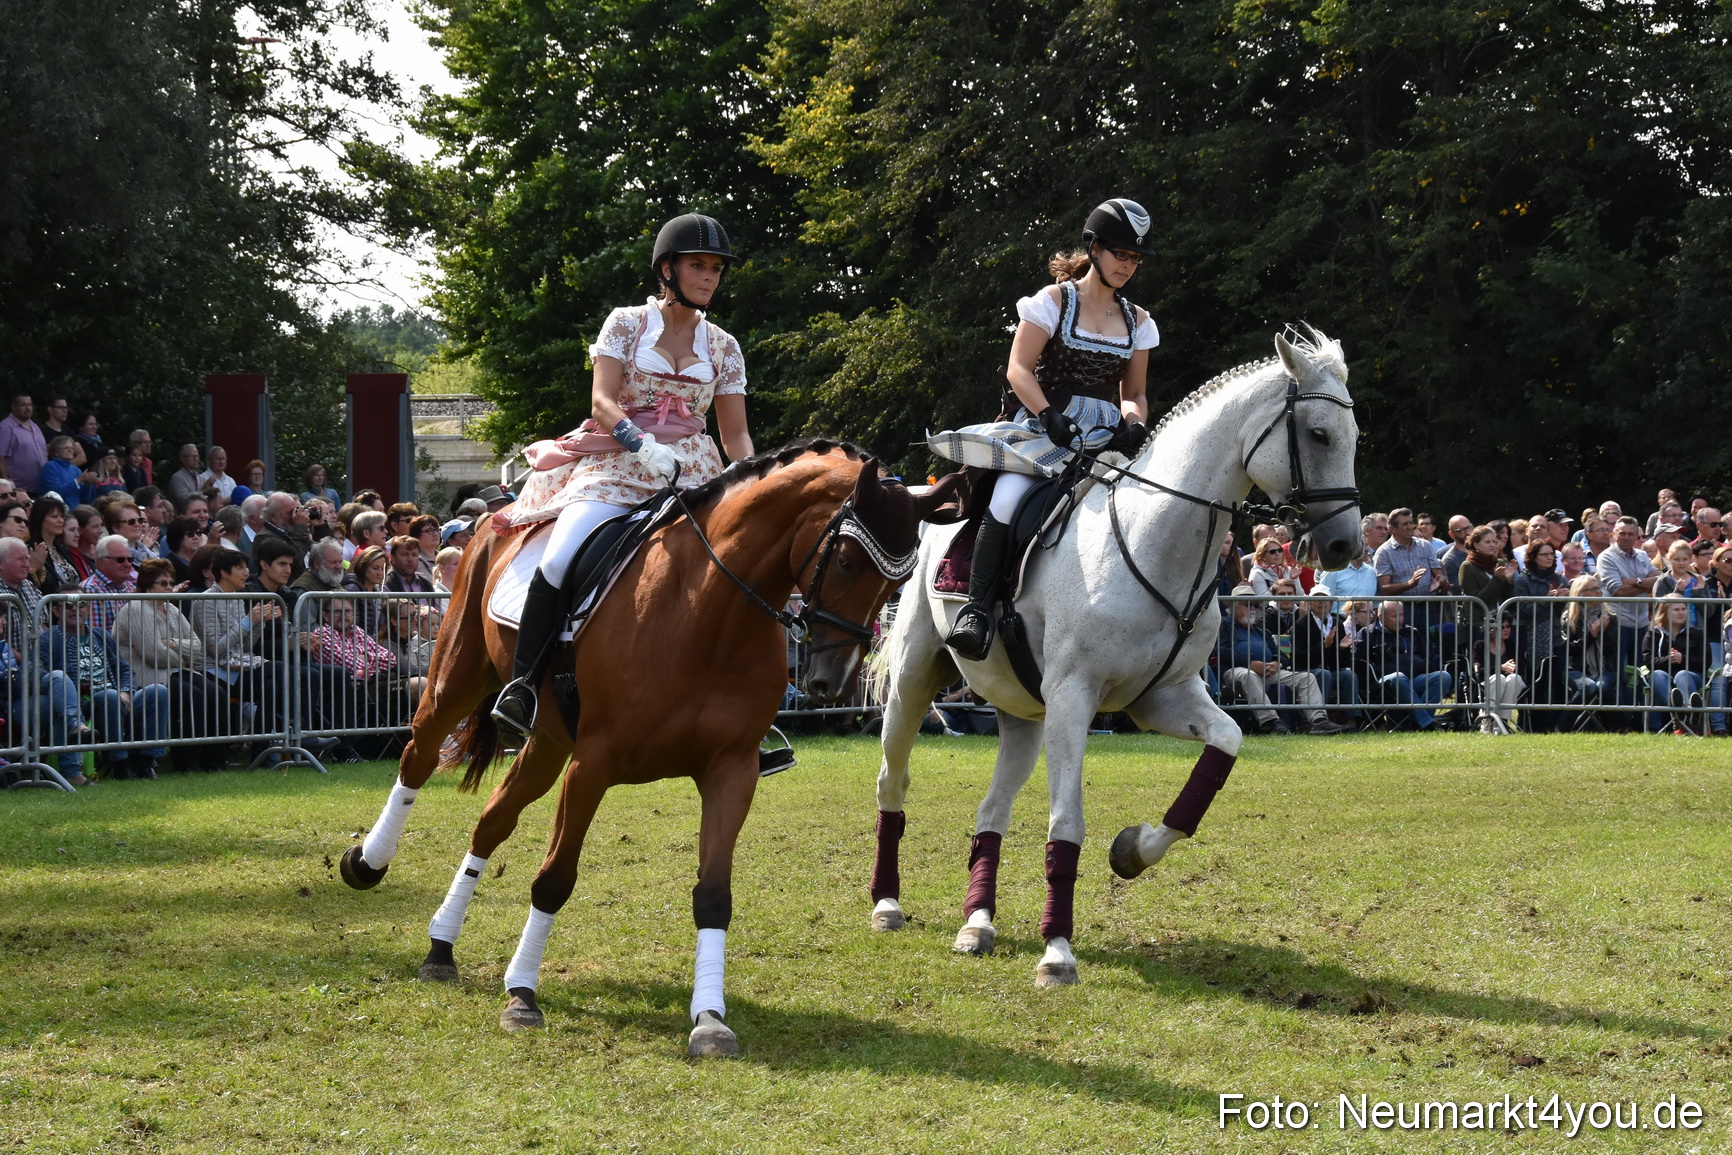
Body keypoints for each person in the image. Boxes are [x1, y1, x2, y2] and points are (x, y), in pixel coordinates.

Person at [489, 212, 757, 736]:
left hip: (694, 473)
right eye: (698, 265)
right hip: (619, 462)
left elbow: (735, 435)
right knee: (562, 555)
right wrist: (643, 445)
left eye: (716, 269)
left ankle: (743, 703)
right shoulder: (627, 323)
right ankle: (521, 688)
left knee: (738, 570)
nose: (709, 277)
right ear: (667, 269)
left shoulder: (725, 346)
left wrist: (751, 479)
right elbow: (603, 401)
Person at [928, 199, 1158, 661]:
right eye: (1120, 254)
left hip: (1107, 439)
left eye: (1135, 258)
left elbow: (1134, 392)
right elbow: (1018, 369)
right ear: (1094, 249)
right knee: (1009, 496)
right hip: (1043, 428)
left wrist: (1134, 424)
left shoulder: (1140, 322)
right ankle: (975, 610)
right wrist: (1049, 415)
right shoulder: (1052, 302)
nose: (1128, 266)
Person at [115, 558, 227, 770]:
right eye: (163, 583)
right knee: (193, 697)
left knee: (216, 693)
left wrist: (174, 644)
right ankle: (187, 762)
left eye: (170, 583)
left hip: (175, 670)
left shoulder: (171, 609)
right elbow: (154, 654)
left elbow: (198, 647)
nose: (169, 587)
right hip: (148, 676)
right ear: (148, 585)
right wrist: (183, 655)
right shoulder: (137, 609)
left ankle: (214, 762)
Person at [42, 596, 171, 780]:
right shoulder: (50, 639)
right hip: (84, 703)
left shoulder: (100, 634)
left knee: (158, 691)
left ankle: (146, 762)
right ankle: (120, 763)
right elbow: (45, 674)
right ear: (56, 611)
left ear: (88, 608)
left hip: (116, 695)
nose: (75, 609)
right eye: (67, 605)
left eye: (81, 604)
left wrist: (126, 691)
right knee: (109, 695)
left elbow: (124, 669)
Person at [1218, 585, 1347, 735]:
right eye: (1247, 604)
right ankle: (1271, 722)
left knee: (1307, 677)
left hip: (1268, 672)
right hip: (1237, 670)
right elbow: (1221, 651)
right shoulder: (1225, 625)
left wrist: (1276, 663)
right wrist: (1250, 664)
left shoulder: (1261, 630)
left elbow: (1282, 655)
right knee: (1249, 675)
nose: (1253, 608)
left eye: (1255, 605)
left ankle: (1318, 721)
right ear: (1233, 607)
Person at [1358, 600, 1454, 731]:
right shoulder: (1367, 634)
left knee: (1443, 676)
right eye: (1394, 616)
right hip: (1382, 684)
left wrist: (1422, 665)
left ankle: (1419, 723)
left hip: (1414, 680)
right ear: (1381, 616)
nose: (1399, 620)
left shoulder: (1411, 632)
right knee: (1398, 677)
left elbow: (1428, 656)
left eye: (1401, 615)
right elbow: (1361, 664)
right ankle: (1427, 724)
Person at [1511, 539, 1569, 731]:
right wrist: (1547, 599)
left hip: (1555, 638)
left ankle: (1556, 725)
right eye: (1544, 554)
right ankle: (1532, 725)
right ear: (1533, 557)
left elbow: (1561, 611)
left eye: (1552, 554)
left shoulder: (1559, 579)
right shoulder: (1522, 580)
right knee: (1536, 684)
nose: (1549, 558)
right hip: (1531, 638)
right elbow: (1524, 609)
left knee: (1558, 681)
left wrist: (1561, 600)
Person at [1643, 595, 1716, 735]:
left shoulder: (1697, 633)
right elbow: (1648, 662)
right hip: (1664, 677)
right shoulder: (1653, 634)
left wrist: (1682, 659)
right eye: (1676, 609)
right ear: (1665, 612)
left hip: (1692, 677)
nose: (1681, 612)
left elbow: (1705, 662)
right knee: (1657, 675)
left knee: (1682, 675)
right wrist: (1668, 659)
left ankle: (1684, 716)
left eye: (1683, 609)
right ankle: (1683, 713)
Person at [26, 493, 79, 594]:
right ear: (40, 519)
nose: (60, 521)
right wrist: (33, 569)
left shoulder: (63, 549)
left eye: (62, 516)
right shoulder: (31, 549)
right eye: (54, 517)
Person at [0, 394, 48, 495]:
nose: (28, 408)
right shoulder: (6, 427)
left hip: (42, 486)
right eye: (23, 405)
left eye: (29, 405)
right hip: (20, 490)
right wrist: (6, 482)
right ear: (13, 407)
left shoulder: (35, 426)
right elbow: (1, 457)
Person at [40, 436, 89, 505]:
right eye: (66, 448)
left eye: (72, 448)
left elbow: (84, 498)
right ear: (55, 452)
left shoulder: (76, 470)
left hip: (75, 511)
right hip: (56, 511)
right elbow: (55, 493)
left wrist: (88, 484)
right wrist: (78, 480)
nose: (70, 450)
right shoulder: (50, 467)